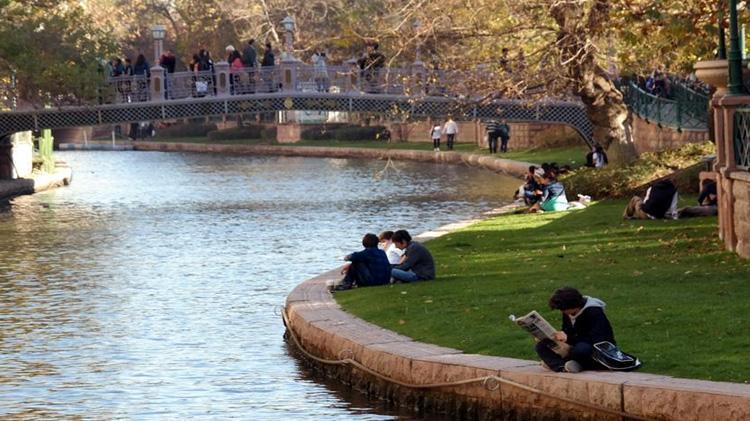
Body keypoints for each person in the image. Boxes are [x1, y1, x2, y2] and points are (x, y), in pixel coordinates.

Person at [535, 287, 616, 373]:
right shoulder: (568, 312)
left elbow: (599, 339)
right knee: (541, 346)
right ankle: (562, 367)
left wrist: (568, 338)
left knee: (581, 350)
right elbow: (567, 331)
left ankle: (569, 364)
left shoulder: (594, 312)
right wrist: (553, 337)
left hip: (594, 348)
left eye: (563, 309)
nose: (562, 312)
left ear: (574, 306)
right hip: (575, 344)